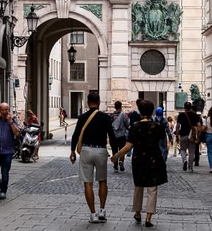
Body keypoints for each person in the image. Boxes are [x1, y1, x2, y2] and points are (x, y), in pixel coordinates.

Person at [111, 100, 168, 228]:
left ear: (140, 112)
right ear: (151, 111)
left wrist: (116, 156)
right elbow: (164, 143)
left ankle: (137, 213)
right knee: (152, 188)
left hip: (139, 160)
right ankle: (148, 217)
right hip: (154, 159)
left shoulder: (135, 126)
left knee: (139, 186)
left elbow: (128, 146)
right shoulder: (158, 126)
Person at [70, 91, 117, 223]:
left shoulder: (83, 117)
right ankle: (102, 210)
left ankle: (93, 214)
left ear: (88, 102)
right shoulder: (105, 117)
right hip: (101, 150)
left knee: (88, 183)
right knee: (102, 181)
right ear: (99, 102)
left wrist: (72, 151)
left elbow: (75, 135)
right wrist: (115, 154)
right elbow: (112, 136)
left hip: (86, 150)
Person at [176, 102, 201, 172]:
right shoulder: (195, 115)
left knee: (182, 149)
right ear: (191, 108)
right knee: (192, 151)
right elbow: (199, 126)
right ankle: (190, 167)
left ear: (184, 108)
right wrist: (198, 134)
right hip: (192, 136)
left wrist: (177, 135)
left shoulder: (181, 115)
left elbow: (178, 126)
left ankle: (184, 160)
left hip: (183, 135)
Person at [109, 101, 130, 172]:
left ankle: (115, 166)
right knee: (122, 150)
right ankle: (121, 161)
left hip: (113, 136)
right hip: (121, 135)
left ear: (115, 107)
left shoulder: (111, 115)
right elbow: (127, 124)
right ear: (121, 107)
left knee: (114, 150)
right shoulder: (123, 115)